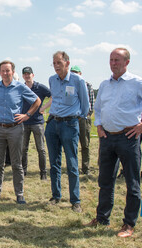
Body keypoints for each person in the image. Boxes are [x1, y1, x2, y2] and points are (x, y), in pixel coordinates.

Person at [85, 48, 142, 237]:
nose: (113, 63)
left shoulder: (137, 83)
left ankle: (129, 224)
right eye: (111, 60)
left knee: (132, 183)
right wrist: (98, 126)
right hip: (107, 138)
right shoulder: (105, 84)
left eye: (117, 60)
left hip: (128, 138)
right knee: (105, 181)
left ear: (127, 63)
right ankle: (102, 218)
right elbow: (98, 107)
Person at [0, 60, 41, 204]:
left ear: (13, 72)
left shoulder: (20, 87)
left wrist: (27, 115)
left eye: (8, 70)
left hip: (15, 129)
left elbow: (37, 101)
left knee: (16, 163)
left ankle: (19, 194)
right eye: (3, 71)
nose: (5, 73)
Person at [45, 51, 89, 213]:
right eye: (54, 63)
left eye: (59, 63)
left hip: (69, 125)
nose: (56, 66)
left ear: (67, 63)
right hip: (52, 124)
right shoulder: (52, 80)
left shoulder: (78, 80)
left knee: (71, 163)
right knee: (54, 163)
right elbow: (54, 100)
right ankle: (56, 196)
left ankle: (75, 200)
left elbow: (85, 105)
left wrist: (76, 120)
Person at [21, 66, 51, 180]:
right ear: (23, 76)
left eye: (29, 74)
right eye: (25, 74)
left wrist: (43, 107)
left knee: (41, 149)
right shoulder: (21, 87)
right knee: (23, 148)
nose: (27, 76)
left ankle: (43, 173)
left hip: (37, 122)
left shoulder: (40, 87)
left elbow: (52, 96)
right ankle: (23, 172)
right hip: (24, 122)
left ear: (33, 75)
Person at [70, 65, 95, 175]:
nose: (74, 74)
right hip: (72, 118)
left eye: (76, 72)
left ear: (80, 73)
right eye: (72, 72)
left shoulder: (87, 85)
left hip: (83, 119)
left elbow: (91, 102)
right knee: (72, 144)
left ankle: (85, 167)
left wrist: (87, 114)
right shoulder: (69, 85)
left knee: (85, 144)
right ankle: (73, 166)